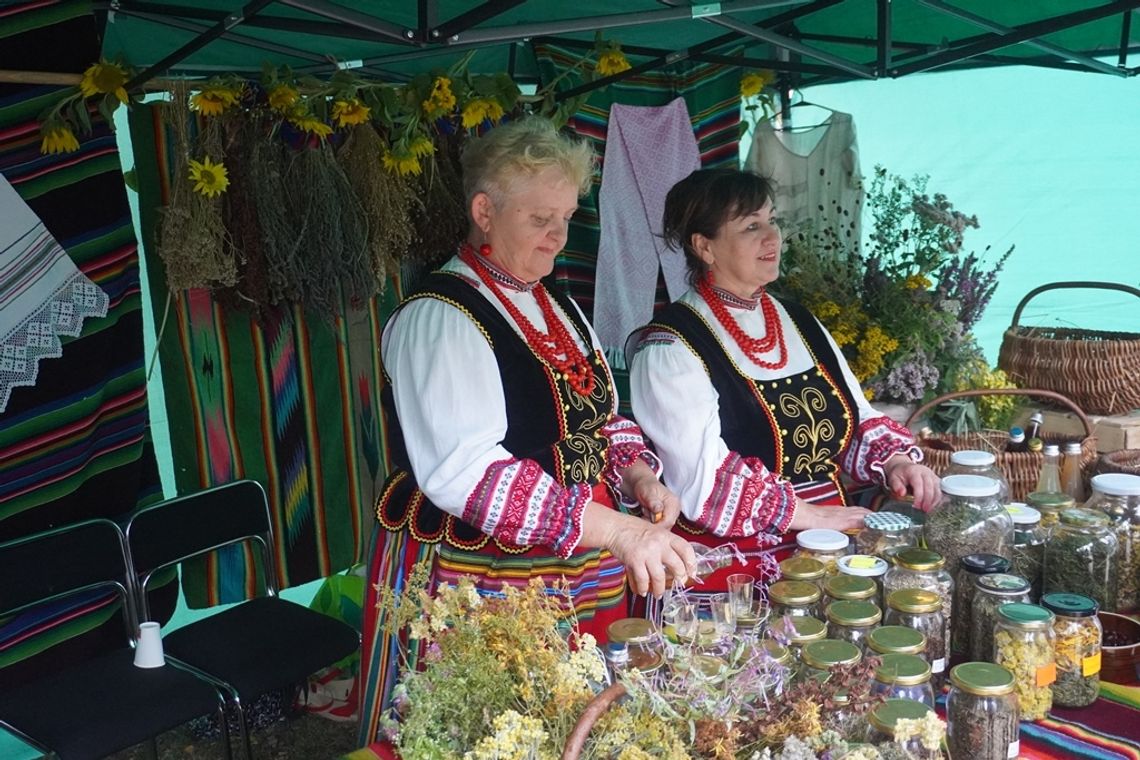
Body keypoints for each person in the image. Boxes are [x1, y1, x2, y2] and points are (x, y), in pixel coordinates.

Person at [357, 118, 697, 744]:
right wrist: (619, 528)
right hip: (480, 573)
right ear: (484, 210)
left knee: (583, 722)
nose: (559, 235)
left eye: (567, 216)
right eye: (541, 217)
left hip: (581, 563)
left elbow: (603, 418)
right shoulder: (439, 317)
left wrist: (640, 475)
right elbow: (469, 472)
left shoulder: (555, 304)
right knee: (495, 729)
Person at [627, 167, 941, 589]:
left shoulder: (799, 321)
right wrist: (810, 514)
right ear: (705, 246)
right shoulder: (670, 346)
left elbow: (855, 418)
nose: (771, 237)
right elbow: (702, 481)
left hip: (830, 544)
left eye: (772, 220)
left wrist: (896, 461)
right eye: (751, 226)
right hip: (737, 568)